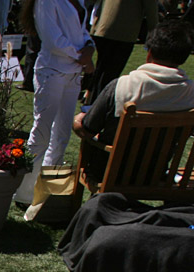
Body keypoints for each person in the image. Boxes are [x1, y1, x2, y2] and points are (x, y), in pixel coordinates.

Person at [73, 20, 194, 179]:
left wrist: (78, 121)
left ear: (149, 53)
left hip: (109, 173)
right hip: (155, 174)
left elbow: (88, 129)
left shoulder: (122, 85)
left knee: (80, 122)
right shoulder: (190, 93)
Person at [14, 0, 94, 203]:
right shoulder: (46, 2)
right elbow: (52, 39)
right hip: (52, 70)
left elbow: (82, 29)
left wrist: (89, 47)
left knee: (62, 134)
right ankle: (25, 192)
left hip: (73, 73)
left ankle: (47, 189)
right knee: (42, 131)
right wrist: (80, 55)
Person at [84, 0, 158, 105]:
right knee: (109, 74)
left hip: (101, 26)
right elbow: (151, 7)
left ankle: (89, 99)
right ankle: (96, 106)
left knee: (100, 69)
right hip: (124, 31)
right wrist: (154, 32)